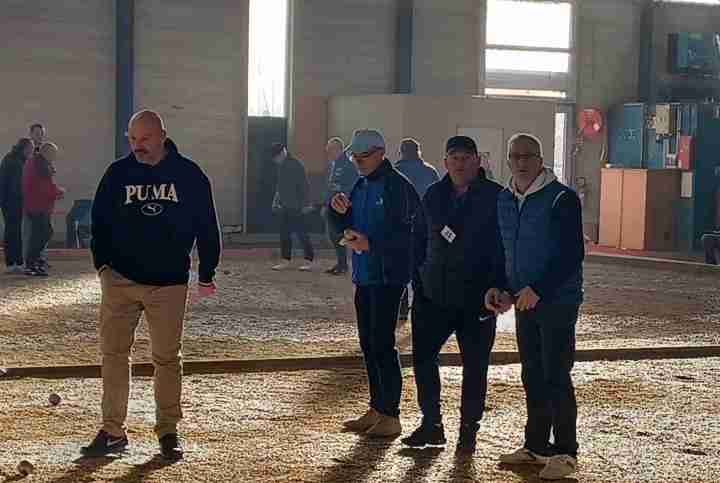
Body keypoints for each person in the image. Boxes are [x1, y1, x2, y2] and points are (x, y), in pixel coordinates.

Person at [83, 110, 221, 460]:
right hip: (120, 280)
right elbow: (98, 222)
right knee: (113, 354)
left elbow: (207, 225)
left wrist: (207, 271)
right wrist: (103, 267)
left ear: (162, 135)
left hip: (169, 282)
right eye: (132, 139)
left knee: (167, 358)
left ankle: (168, 430)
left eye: (144, 139)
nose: (137, 146)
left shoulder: (189, 174)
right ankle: (113, 431)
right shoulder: (117, 173)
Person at [486, 133, 584, 480]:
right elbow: (504, 250)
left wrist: (539, 289)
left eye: (528, 156)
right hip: (524, 301)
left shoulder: (561, 198)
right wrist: (502, 288)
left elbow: (571, 253)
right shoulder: (504, 199)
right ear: (508, 160)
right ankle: (537, 446)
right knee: (531, 373)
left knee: (556, 373)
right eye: (515, 156)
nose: (521, 162)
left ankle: (566, 451)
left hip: (557, 301)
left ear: (541, 160)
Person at [401, 136, 504, 453]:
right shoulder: (433, 195)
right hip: (434, 295)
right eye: (454, 158)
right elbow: (418, 239)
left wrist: (500, 286)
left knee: (475, 366)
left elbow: (505, 247)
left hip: (477, 299)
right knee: (423, 359)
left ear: (477, 161)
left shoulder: (496, 197)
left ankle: (468, 430)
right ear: (445, 162)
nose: (459, 164)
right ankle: (431, 423)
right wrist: (418, 280)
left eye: (466, 158)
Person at [329, 129, 424, 438]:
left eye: (364, 156)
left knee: (383, 344)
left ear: (381, 153)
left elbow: (409, 236)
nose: (358, 161)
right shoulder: (361, 185)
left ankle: (391, 414)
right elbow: (347, 225)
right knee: (368, 344)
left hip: (388, 277)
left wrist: (372, 244)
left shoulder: (398, 187)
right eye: (354, 156)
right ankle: (377, 407)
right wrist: (338, 214)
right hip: (365, 274)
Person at [394, 138, 440, 322]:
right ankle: (423, 308)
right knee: (422, 268)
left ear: (401, 152)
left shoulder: (395, 172)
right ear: (418, 151)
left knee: (401, 270)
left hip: (401, 228)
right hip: (427, 228)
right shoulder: (430, 171)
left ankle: (402, 308)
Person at [270, 143, 315, 271]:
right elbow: (279, 186)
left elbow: (304, 185)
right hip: (284, 205)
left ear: (283, 153)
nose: (276, 160)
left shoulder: (296, 165)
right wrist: (276, 200)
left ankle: (309, 260)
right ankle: (285, 260)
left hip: (297, 206)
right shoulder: (281, 166)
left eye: (276, 157)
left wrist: (307, 204)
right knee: (284, 233)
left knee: (302, 233)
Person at [22, 142, 65, 276]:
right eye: (53, 154)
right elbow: (41, 186)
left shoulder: (39, 163)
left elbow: (45, 184)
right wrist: (57, 192)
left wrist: (55, 191)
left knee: (42, 234)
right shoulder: (38, 164)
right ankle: (31, 264)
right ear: (46, 152)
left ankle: (35, 262)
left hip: (39, 205)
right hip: (37, 205)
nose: (54, 157)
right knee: (41, 234)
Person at [322, 137, 358, 275]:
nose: (328, 152)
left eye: (330, 150)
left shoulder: (348, 166)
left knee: (341, 236)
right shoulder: (333, 165)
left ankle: (345, 265)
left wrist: (345, 202)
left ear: (338, 149)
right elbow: (330, 186)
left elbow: (352, 186)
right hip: (331, 205)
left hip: (341, 206)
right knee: (334, 236)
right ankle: (341, 263)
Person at [0, 138, 33, 273]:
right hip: (12, 202)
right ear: (25, 148)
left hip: (9, 201)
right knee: (13, 232)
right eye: (30, 149)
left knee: (13, 231)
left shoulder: (12, 158)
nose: (31, 152)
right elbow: (17, 185)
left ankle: (15, 262)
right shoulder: (16, 162)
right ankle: (13, 263)